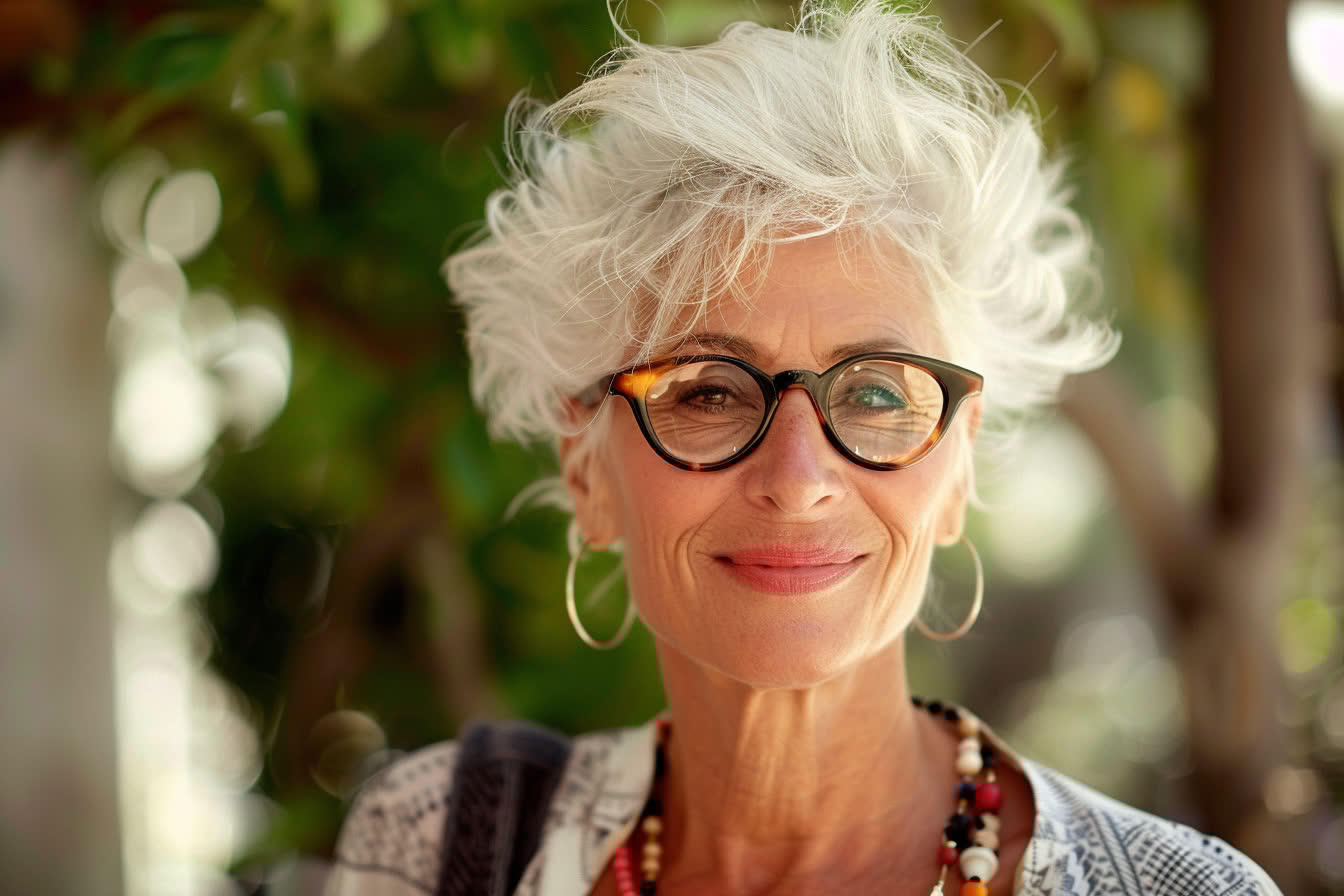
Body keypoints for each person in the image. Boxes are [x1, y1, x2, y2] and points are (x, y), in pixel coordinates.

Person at [324, 3, 1280, 894]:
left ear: (957, 468)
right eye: (706, 391)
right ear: (588, 472)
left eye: (872, 393)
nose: (797, 479)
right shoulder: (439, 847)